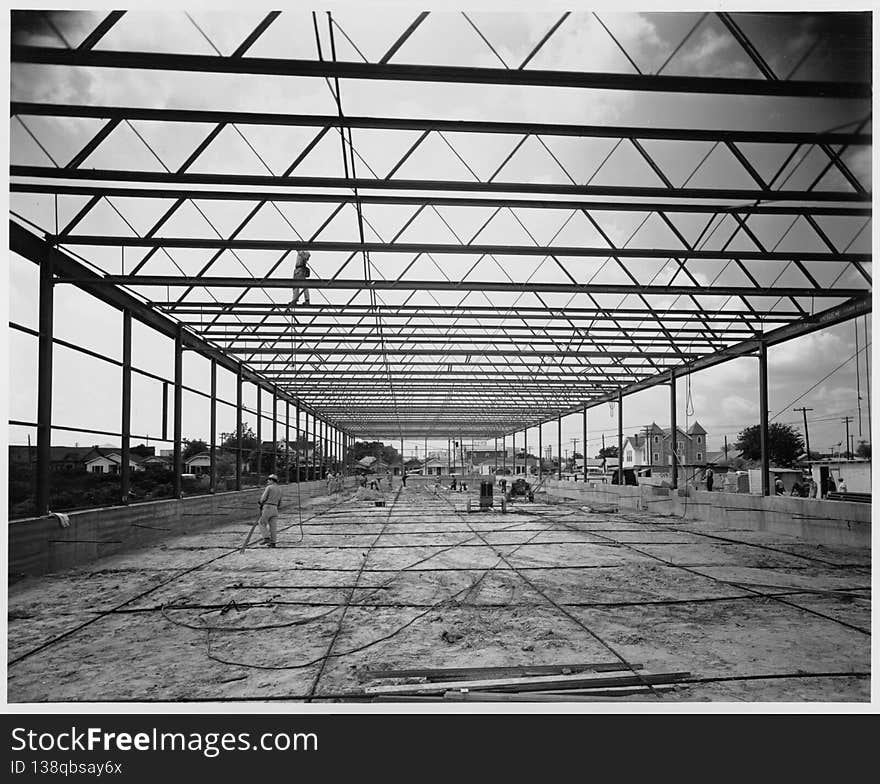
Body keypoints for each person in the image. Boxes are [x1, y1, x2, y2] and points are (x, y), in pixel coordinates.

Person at [258, 474, 283, 548]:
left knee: (262, 522)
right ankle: (273, 542)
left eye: (268, 480)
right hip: (275, 508)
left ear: (272, 480)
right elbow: (280, 502)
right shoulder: (279, 489)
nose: (267, 482)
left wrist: (260, 502)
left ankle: (266, 538)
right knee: (273, 527)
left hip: (268, 507)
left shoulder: (269, 487)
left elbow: (263, 498)